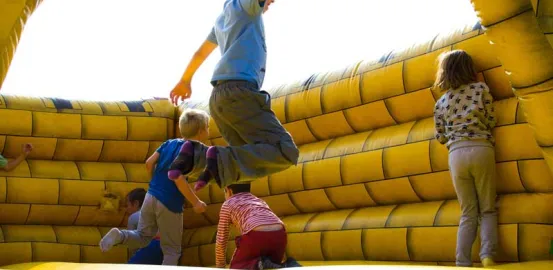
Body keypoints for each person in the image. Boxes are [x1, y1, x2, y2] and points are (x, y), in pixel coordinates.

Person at [168, 0, 299, 192]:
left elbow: (200, 53)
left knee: (244, 161)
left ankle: (198, 161)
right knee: (285, 151)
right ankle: (206, 158)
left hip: (219, 99)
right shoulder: (247, 6)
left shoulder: (223, 19)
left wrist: (185, 80)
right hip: (240, 93)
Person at [99, 109, 211, 265]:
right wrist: (196, 202)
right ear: (200, 132)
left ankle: (120, 236)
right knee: (172, 250)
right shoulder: (191, 150)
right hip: (170, 202)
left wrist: (155, 184)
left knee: (143, 237)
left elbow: (149, 163)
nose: (208, 131)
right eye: (207, 127)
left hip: (151, 195)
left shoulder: (169, 143)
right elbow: (178, 177)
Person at [433, 50, 497, 267]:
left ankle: (462, 261)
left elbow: (440, 136)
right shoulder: (481, 89)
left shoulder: (441, 102)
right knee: (487, 208)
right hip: (481, 148)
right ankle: (487, 255)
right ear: (470, 69)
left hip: (456, 154)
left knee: (468, 211)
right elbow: (491, 119)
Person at [215, 183, 301, 269]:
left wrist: (220, 266)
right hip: (280, 234)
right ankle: (287, 264)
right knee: (272, 265)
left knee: (237, 267)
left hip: (256, 235)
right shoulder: (258, 201)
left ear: (229, 191)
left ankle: (259, 264)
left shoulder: (228, 204)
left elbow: (221, 238)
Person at [124, 188, 164, 265]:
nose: (126, 209)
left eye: (127, 205)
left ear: (136, 203)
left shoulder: (134, 217)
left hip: (152, 246)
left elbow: (132, 244)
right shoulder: (158, 214)